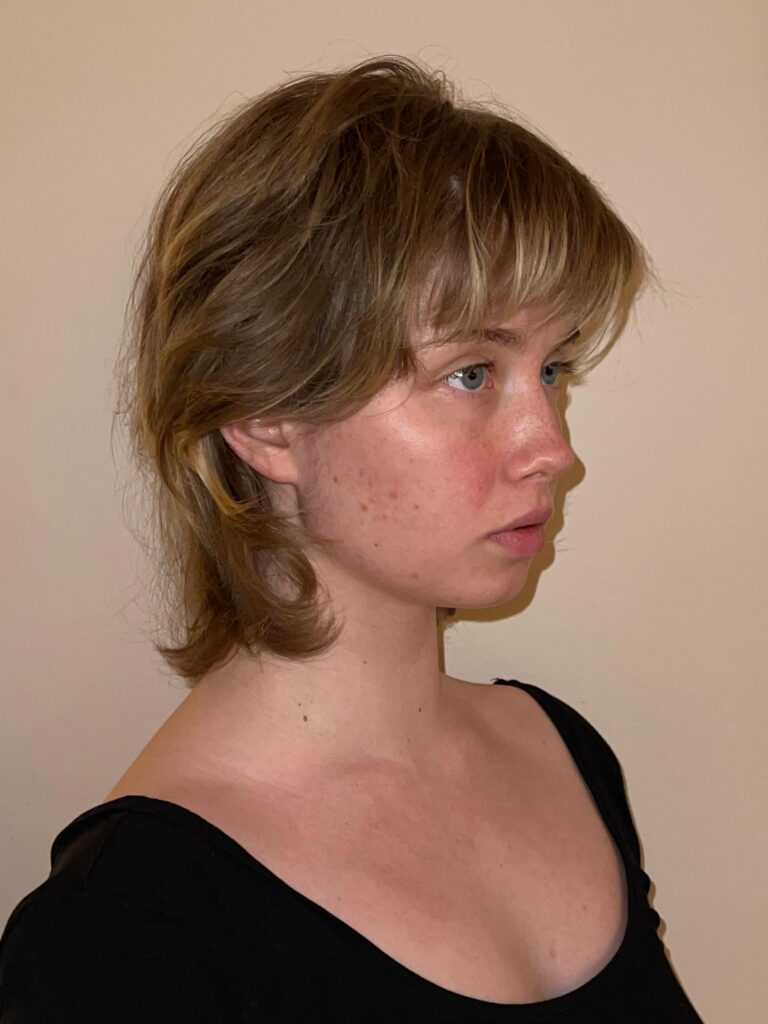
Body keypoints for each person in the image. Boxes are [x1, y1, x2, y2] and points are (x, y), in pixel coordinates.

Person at [0, 56, 704, 1021]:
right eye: (471, 374)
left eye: (553, 370)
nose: (553, 448)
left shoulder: (564, 751)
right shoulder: (124, 934)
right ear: (266, 417)